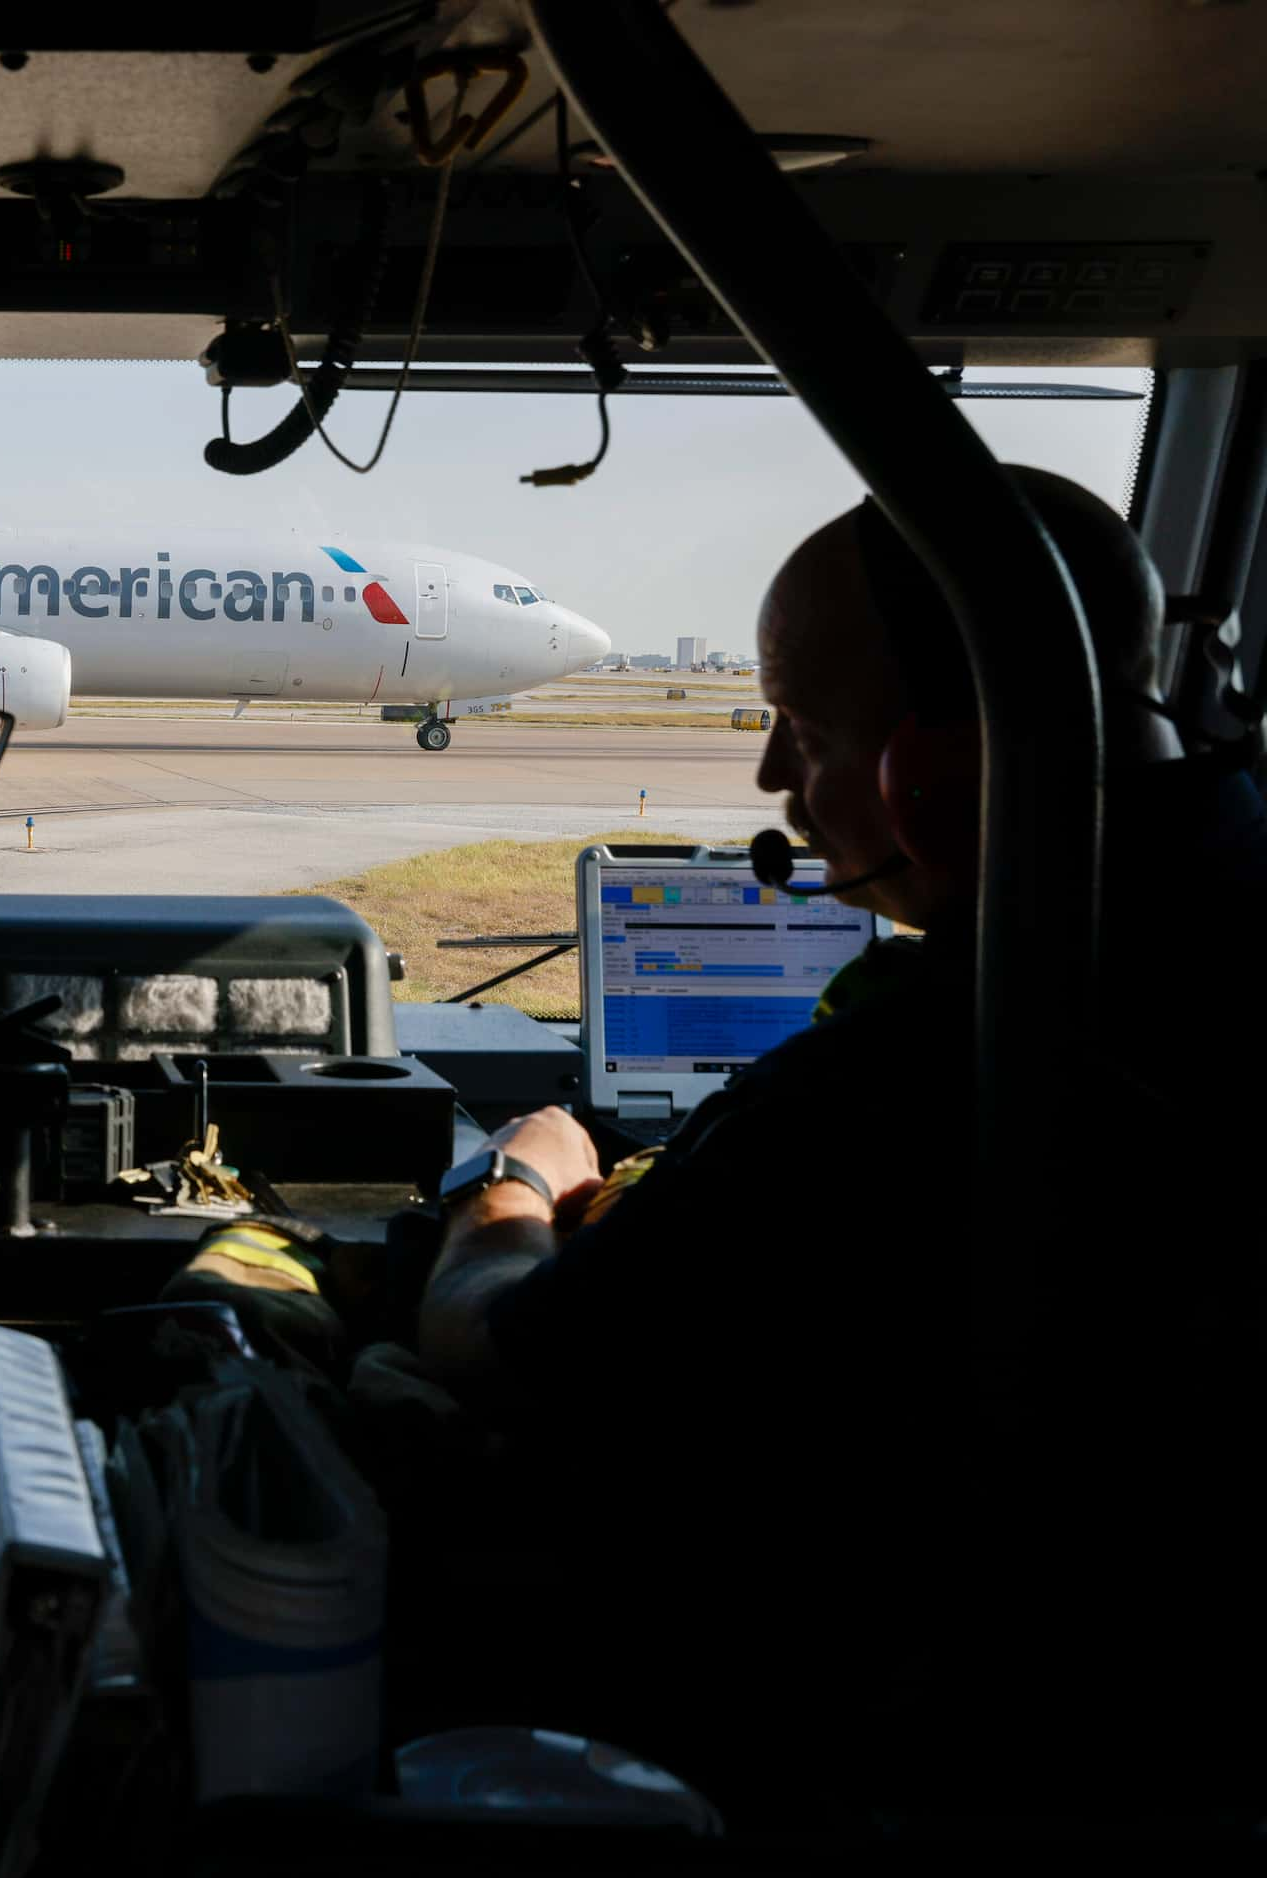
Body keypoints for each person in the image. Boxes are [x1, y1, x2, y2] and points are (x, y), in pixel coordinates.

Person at [189, 468, 1267, 1820]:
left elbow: (503, 1347)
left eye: (803, 732)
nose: (770, 776)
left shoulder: (919, 1076)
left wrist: (516, 1186)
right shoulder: (1204, 941)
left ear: (930, 777)